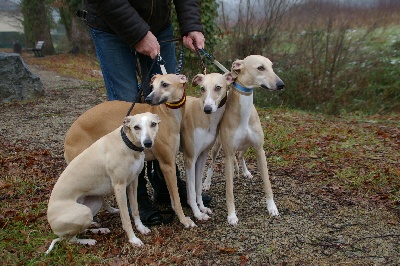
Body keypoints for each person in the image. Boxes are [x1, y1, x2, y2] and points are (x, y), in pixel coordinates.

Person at [78, 0, 211, 226]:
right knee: (127, 104)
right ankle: (136, 196)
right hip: (111, 24)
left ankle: (164, 183)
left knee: (165, 103)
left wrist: (190, 24)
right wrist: (139, 33)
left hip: (159, 25)